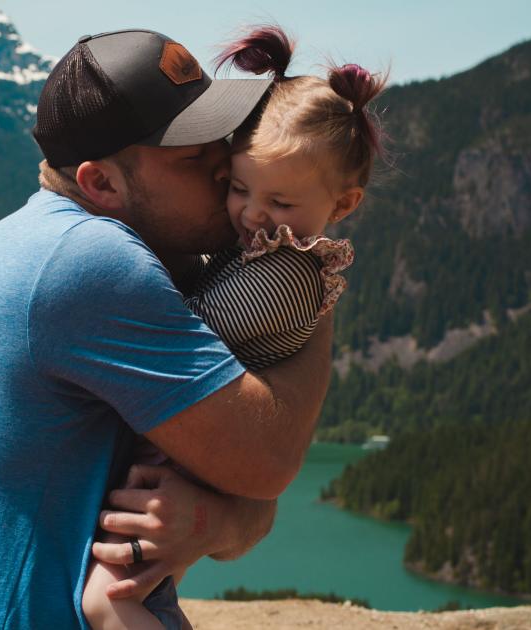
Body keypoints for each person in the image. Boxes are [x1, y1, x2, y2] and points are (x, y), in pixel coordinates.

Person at [0, 28, 335, 629]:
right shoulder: (89, 263)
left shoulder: (34, 235)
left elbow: (245, 495)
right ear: (100, 183)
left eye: (218, 139)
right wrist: (312, 273)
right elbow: (267, 461)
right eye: (192, 156)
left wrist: (213, 519)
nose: (224, 167)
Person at [79, 25, 389, 630]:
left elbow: (185, 332)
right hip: (184, 450)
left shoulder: (287, 275)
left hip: (183, 465)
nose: (251, 213)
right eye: (239, 187)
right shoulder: (265, 248)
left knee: (111, 602)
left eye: (278, 202)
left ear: (343, 205)